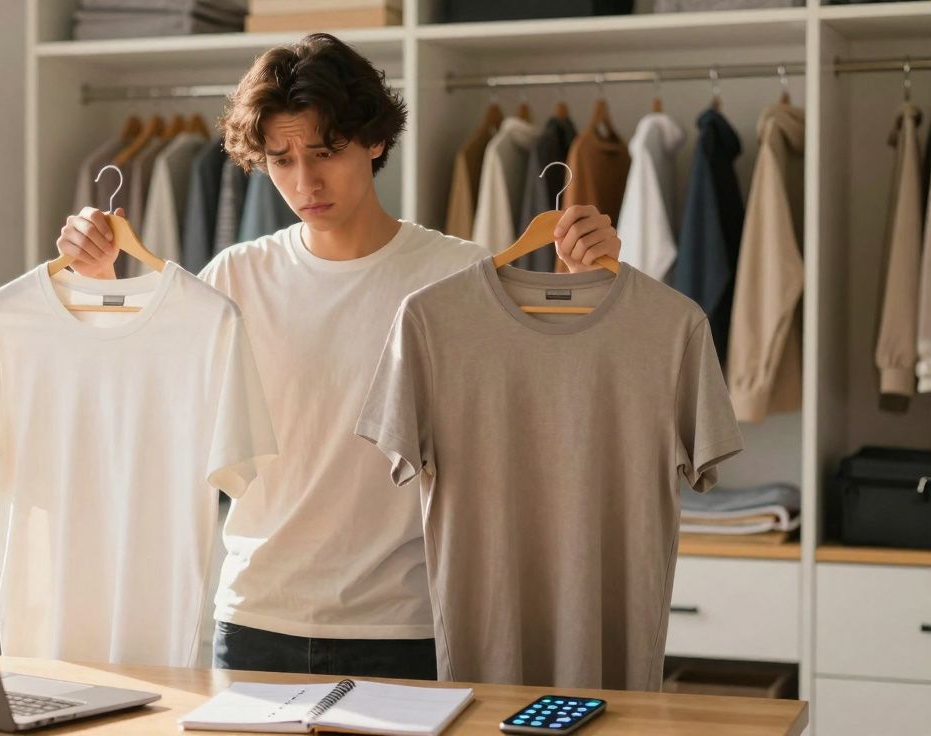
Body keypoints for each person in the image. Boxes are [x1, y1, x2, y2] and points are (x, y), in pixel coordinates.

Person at [53, 33, 623, 680]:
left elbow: (551, 425)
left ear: (374, 140)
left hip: (410, 624)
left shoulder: (461, 277)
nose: (304, 181)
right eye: (282, 159)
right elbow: (133, 416)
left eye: (324, 152)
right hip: (256, 621)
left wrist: (592, 282)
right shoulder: (234, 278)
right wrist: (96, 283)